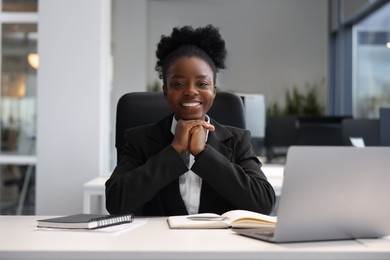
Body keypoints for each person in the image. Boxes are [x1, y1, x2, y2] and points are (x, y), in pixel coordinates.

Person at [105, 25, 275, 216]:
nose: (191, 91)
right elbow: (115, 202)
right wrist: (175, 150)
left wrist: (203, 153)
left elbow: (263, 204)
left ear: (213, 91)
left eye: (202, 84)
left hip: (221, 244)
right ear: (165, 92)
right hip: (157, 242)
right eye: (178, 84)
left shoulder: (237, 140)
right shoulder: (140, 140)